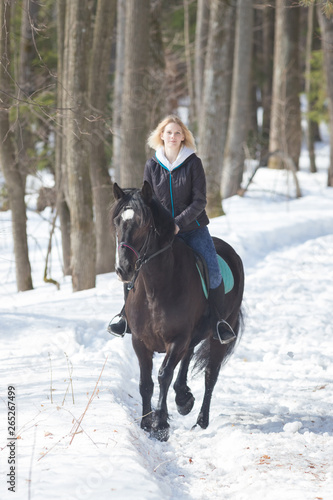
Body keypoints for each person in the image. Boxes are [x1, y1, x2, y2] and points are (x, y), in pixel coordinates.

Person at [108, 115, 236, 344]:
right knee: (133, 268)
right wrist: (161, 225)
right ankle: (124, 317)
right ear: (161, 136)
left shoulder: (193, 163)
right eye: (169, 133)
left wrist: (179, 223)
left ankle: (217, 322)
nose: (173, 137)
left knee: (214, 271)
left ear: (184, 136)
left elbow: (200, 201)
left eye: (178, 133)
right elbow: (148, 201)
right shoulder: (152, 164)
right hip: (161, 232)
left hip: (193, 228)